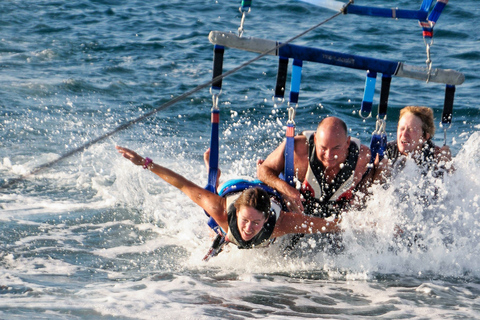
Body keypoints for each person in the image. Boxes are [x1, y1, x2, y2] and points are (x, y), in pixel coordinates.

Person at [116, 146, 340, 251]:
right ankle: (214, 176)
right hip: (233, 188)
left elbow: (329, 225)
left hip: (267, 194)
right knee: (211, 220)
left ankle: (266, 175)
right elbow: (182, 184)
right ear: (237, 213)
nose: (249, 228)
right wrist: (144, 163)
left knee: (292, 207)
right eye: (245, 221)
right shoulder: (221, 211)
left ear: (265, 219)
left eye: (255, 223)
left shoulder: (280, 224)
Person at [257, 116, 371, 218]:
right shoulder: (297, 149)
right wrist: (286, 190)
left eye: (336, 148)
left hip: (336, 222)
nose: (329, 155)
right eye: (323, 148)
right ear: (315, 139)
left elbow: (370, 188)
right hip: (297, 217)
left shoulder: (362, 157)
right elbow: (263, 171)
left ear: (347, 143)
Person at [372, 106, 453, 182]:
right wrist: (378, 172)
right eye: (402, 128)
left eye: (411, 130)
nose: (404, 134)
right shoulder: (385, 153)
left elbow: (456, 188)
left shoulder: (435, 156)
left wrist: (448, 167)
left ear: (425, 137)